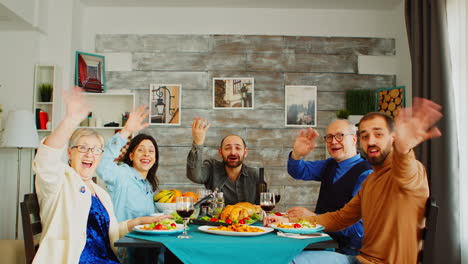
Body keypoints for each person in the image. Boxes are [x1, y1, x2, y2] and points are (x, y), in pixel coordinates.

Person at [266, 98, 442, 264]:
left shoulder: (412, 171)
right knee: (285, 259)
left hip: (355, 253)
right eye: (365, 136)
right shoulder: (370, 180)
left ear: (393, 138)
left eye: (379, 134)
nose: (371, 141)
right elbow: (342, 217)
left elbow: (405, 172)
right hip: (360, 260)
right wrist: (292, 221)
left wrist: (403, 149)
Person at [32, 87, 170, 263]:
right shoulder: (59, 181)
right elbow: (46, 159)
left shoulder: (100, 193)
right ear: (69, 153)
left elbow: (110, 231)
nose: (90, 154)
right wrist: (71, 120)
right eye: (83, 148)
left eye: (96, 150)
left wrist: (137, 222)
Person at [287, 119, 372, 255]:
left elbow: (359, 230)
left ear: (354, 139)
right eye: (329, 137)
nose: (333, 141)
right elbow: (298, 171)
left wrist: (314, 218)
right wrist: (297, 154)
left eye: (340, 136)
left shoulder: (366, 174)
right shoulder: (329, 165)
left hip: (347, 250)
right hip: (321, 241)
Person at [96, 105, 159, 221]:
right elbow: (101, 166)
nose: (146, 154)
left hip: (143, 237)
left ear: (155, 159)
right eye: (140, 150)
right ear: (131, 156)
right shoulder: (123, 174)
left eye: (151, 151)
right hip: (123, 238)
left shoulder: (147, 185)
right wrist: (126, 131)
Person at [186, 117, 259, 205]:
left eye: (238, 148)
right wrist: (198, 142)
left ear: (245, 152)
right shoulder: (211, 168)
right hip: (215, 218)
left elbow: (264, 204)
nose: (233, 152)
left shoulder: (255, 175)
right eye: (227, 148)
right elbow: (194, 176)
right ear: (220, 152)